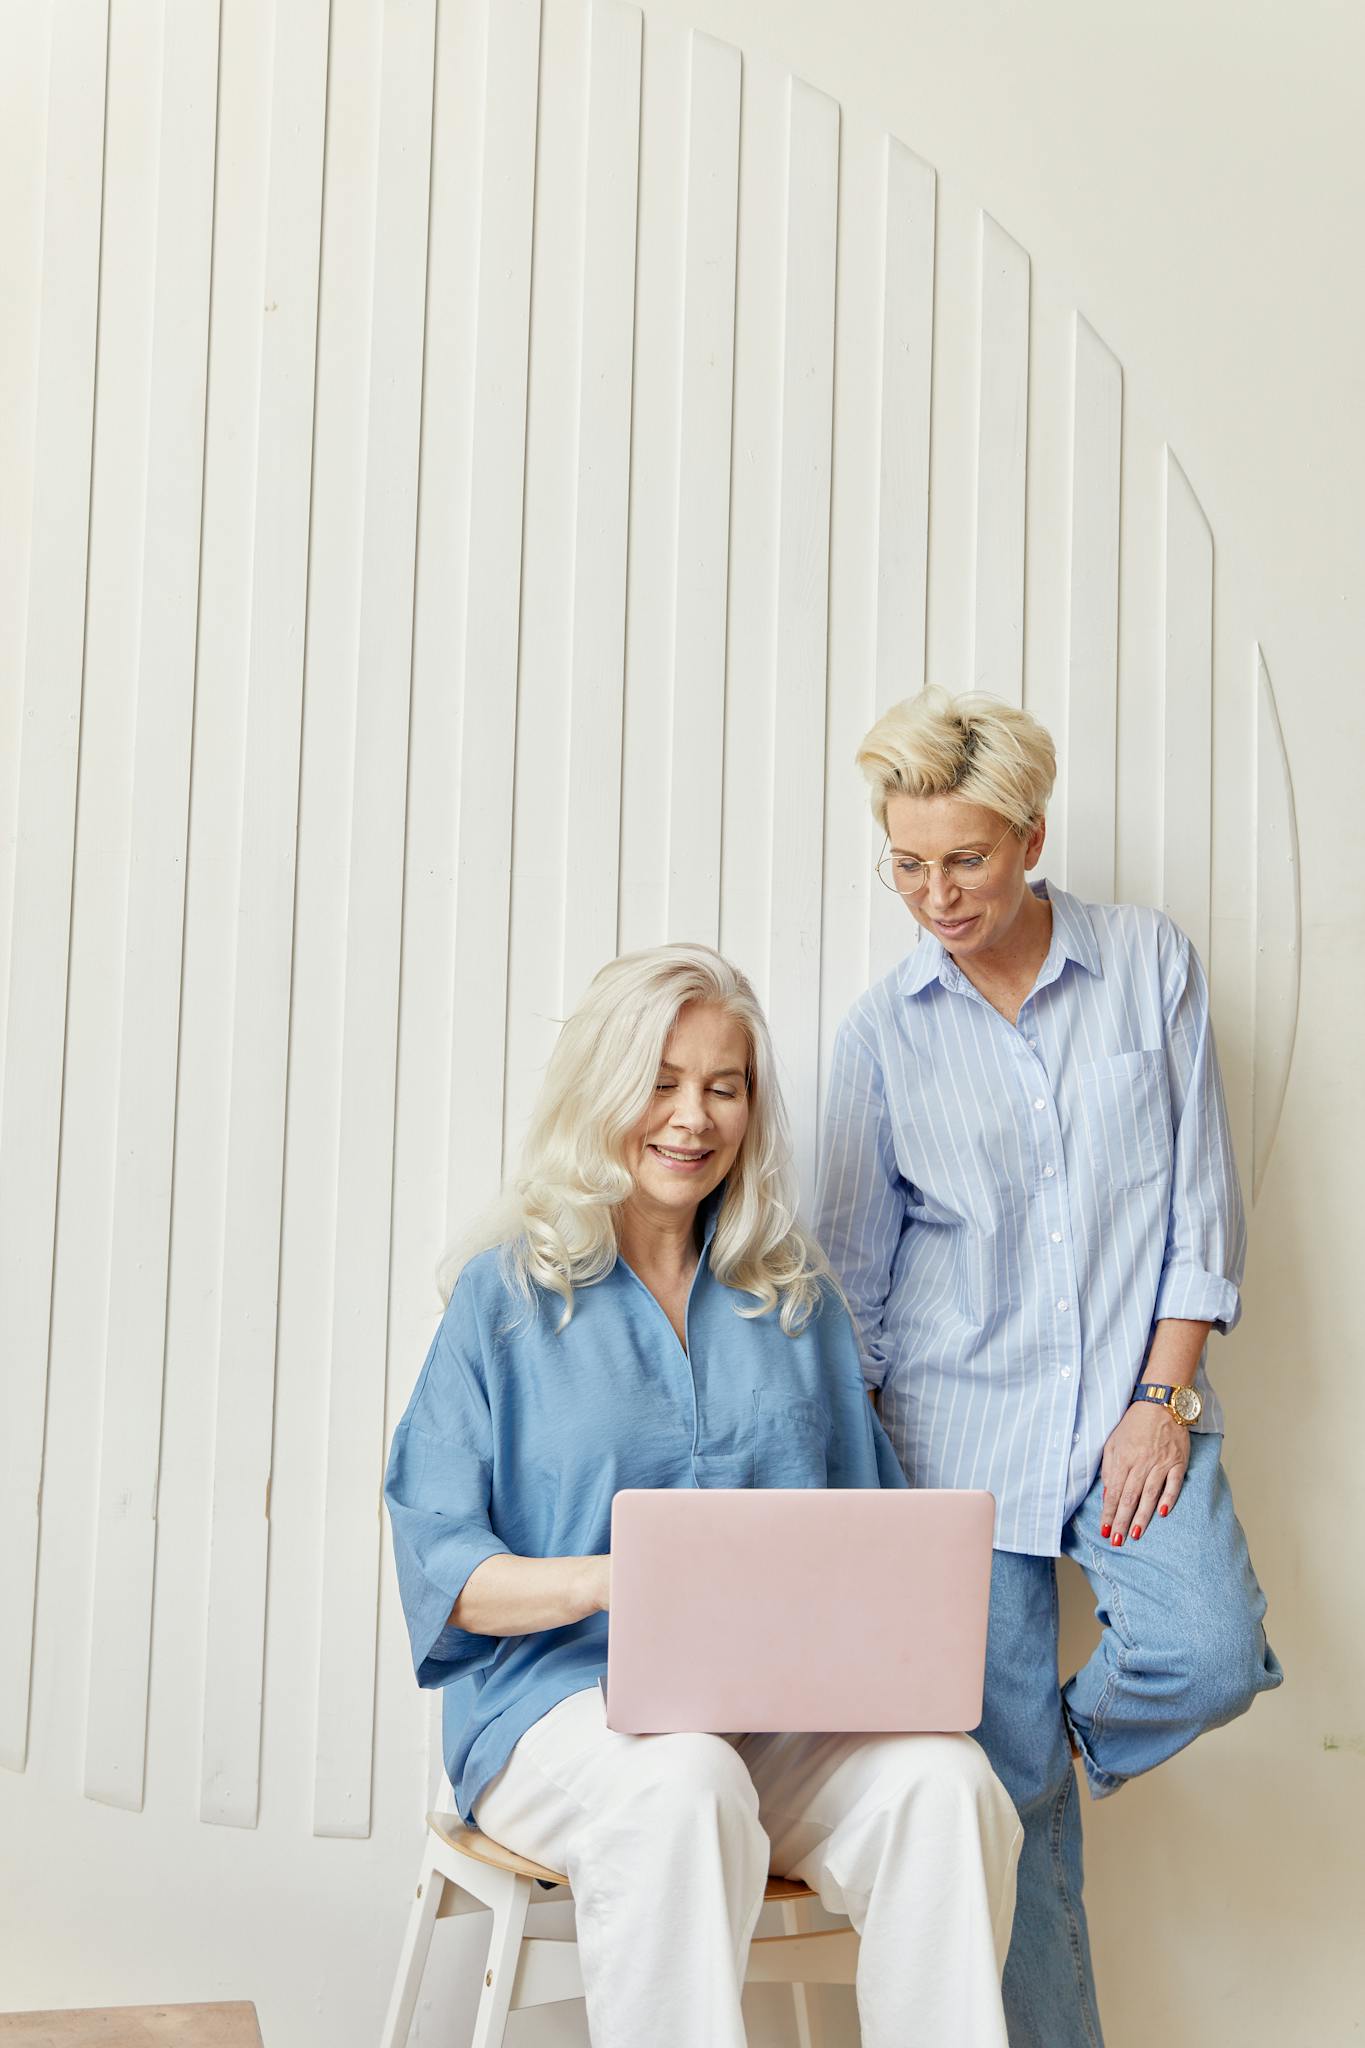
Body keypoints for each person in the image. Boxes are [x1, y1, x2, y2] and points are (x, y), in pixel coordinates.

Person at [385, 943, 1020, 2048]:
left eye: (724, 1086)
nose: (692, 1117)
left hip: (772, 1719)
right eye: (661, 1081)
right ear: (602, 1089)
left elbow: (869, 1532)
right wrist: (613, 1583)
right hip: (560, 1711)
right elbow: (447, 1568)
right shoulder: (505, 1298)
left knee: (947, 1783)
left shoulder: (793, 1297)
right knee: (682, 1780)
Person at [816, 687, 1283, 2048]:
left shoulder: (1147, 963)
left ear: (1030, 835)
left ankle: (1040, 1755)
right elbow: (854, 1284)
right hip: (954, 1440)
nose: (936, 895)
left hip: (1136, 1408)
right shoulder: (882, 1033)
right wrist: (865, 1506)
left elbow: (1200, 1209)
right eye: (907, 864)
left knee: (1204, 1648)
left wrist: (1162, 1402)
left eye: (964, 858)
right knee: (1010, 1826)